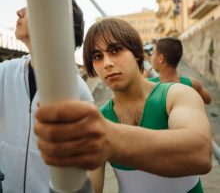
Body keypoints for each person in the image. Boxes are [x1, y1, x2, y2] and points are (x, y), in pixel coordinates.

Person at [35, 18, 212, 193]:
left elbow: (200, 154)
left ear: (137, 53)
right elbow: (93, 188)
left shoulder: (176, 94)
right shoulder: (101, 118)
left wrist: (107, 139)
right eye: (97, 56)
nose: (107, 63)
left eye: (115, 50)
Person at [0, 0, 93, 193]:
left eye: (31, 7)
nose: (19, 11)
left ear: (54, 23)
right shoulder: (4, 73)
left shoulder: (79, 93)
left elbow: (85, 171)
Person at [149, 37, 212, 104]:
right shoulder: (192, 84)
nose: (151, 57)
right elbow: (208, 100)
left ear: (161, 58)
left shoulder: (148, 85)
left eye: (153, 53)